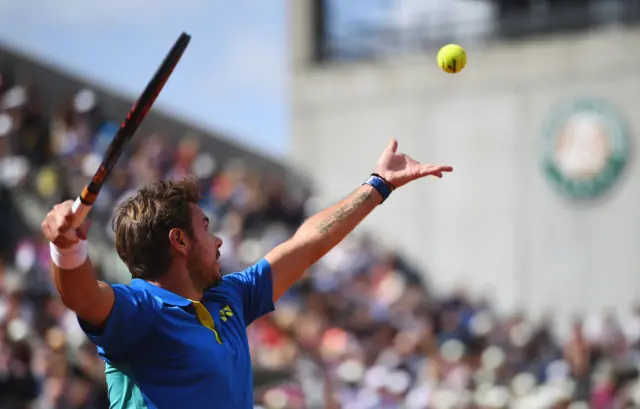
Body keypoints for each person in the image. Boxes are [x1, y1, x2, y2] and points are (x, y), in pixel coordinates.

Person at [41, 139, 452, 408]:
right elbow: (82, 296)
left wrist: (378, 185)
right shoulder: (140, 309)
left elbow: (306, 243)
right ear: (180, 242)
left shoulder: (229, 297)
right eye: (206, 228)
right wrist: (68, 247)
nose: (218, 241)